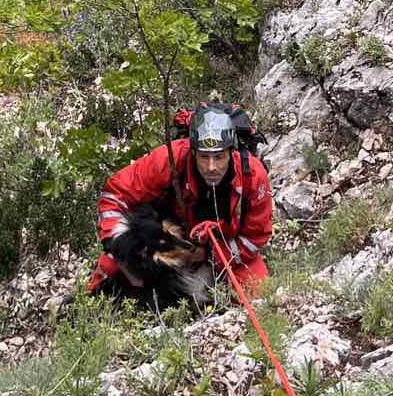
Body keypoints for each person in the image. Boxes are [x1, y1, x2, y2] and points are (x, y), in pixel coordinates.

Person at [88, 101, 272, 298]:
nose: (211, 167)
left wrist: (209, 255)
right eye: (204, 157)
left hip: (224, 246)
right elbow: (115, 193)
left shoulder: (252, 176)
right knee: (108, 272)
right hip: (171, 242)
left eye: (219, 157)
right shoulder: (170, 159)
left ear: (231, 152)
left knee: (258, 293)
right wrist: (118, 243)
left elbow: (255, 238)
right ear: (192, 151)